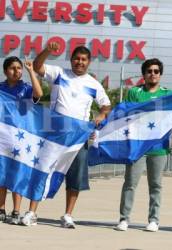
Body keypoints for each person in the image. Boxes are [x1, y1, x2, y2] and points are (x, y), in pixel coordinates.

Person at [26, 42, 111, 228]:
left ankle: (67, 215)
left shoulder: (94, 84)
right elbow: (38, 66)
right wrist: (47, 50)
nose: (79, 62)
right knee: (43, 170)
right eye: (76, 59)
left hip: (78, 138)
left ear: (88, 62)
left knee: (75, 177)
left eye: (83, 59)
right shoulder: (59, 74)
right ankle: (32, 212)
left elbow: (106, 105)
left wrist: (102, 114)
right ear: (71, 60)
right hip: (55, 135)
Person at [115, 58, 172, 232]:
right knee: (130, 183)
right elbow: (127, 116)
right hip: (137, 147)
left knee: (155, 185)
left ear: (160, 74)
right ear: (144, 75)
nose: (152, 74)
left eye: (156, 71)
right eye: (149, 71)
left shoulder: (168, 94)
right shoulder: (134, 92)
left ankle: (154, 220)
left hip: (159, 147)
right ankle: (124, 219)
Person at [0, 56, 43, 224]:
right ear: (5, 71)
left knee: (16, 173)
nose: (16, 71)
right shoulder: (1, 88)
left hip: (20, 138)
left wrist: (31, 70)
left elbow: (39, 94)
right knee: (2, 173)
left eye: (19, 68)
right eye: (12, 68)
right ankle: (1, 208)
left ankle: (16, 210)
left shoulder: (25, 88)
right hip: (3, 138)